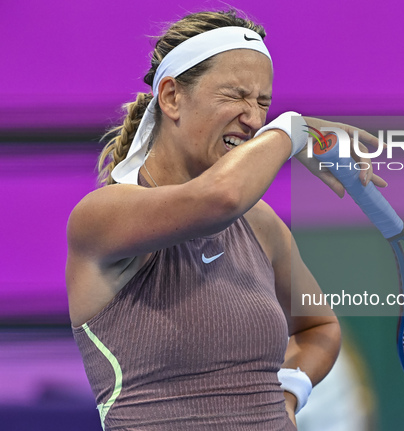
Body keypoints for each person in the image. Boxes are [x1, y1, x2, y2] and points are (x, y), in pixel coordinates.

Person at [66, 9, 384, 431]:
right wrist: (293, 129)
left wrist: (289, 394)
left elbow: (320, 327)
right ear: (172, 97)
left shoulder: (259, 223)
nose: (254, 118)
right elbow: (219, 198)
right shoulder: (100, 217)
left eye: (264, 103)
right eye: (236, 96)